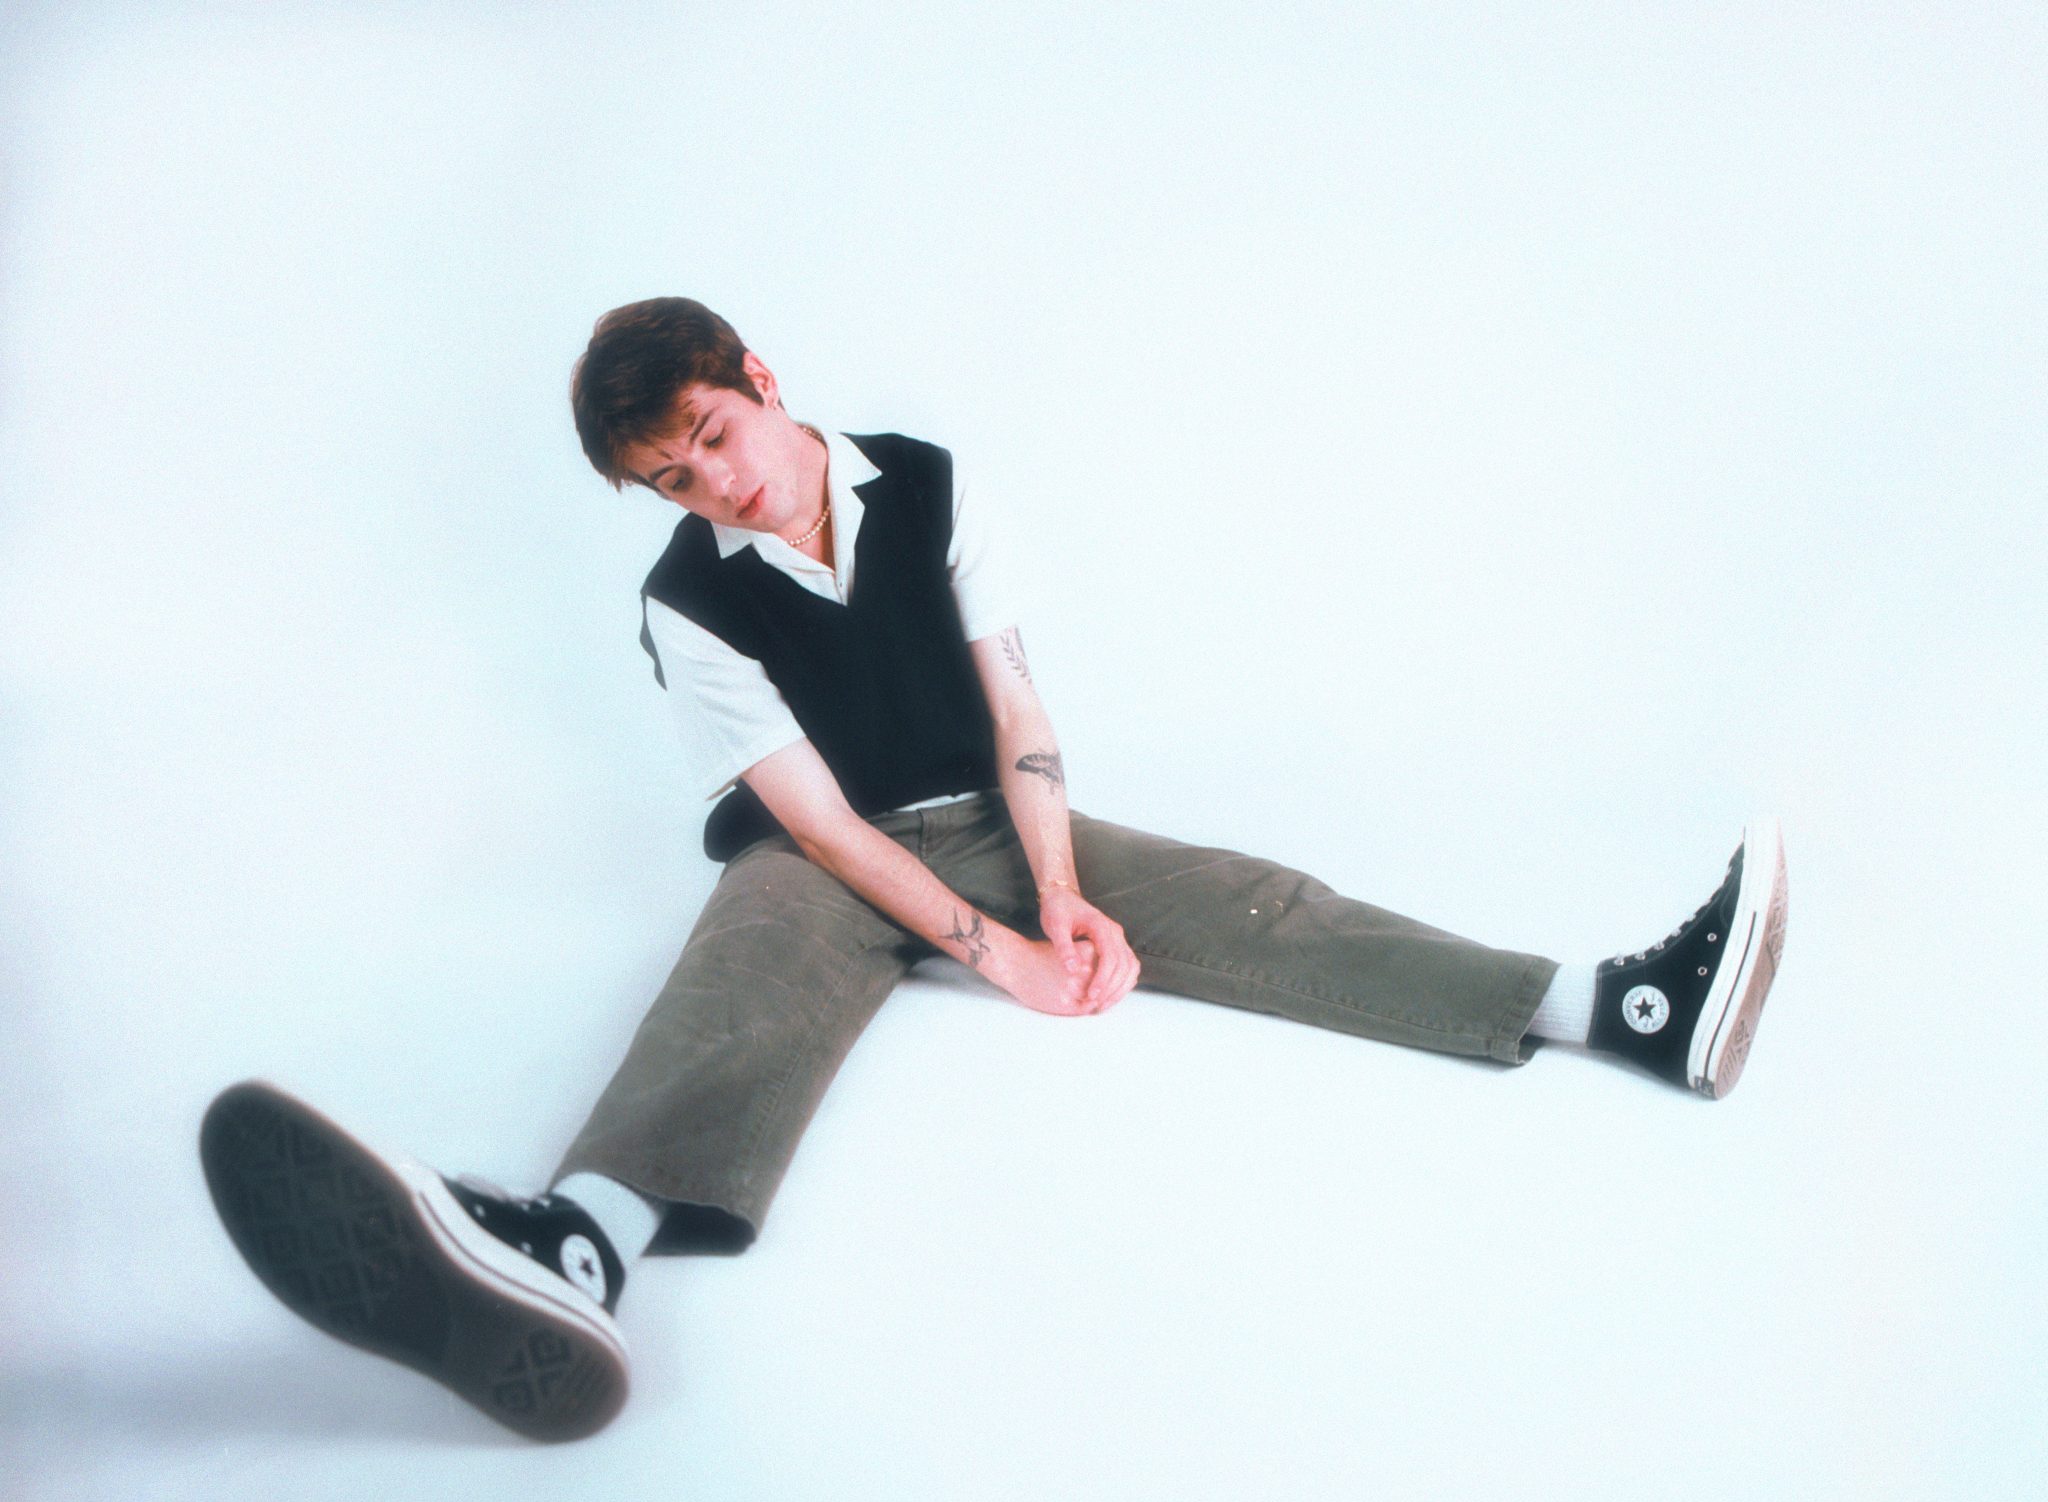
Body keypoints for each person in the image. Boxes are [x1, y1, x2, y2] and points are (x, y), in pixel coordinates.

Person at [199, 298, 1790, 1443]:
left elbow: (1018, 712)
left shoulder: (928, 483)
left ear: (758, 379)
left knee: (1254, 897)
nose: (719, 486)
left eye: (714, 439)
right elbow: (826, 826)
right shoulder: (687, 605)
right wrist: (1001, 953)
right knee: (741, 970)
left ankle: (1620, 1006)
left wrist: (1064, 894)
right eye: (677, 481)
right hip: (818, 853)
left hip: (983, 812)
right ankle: (578, 1244)